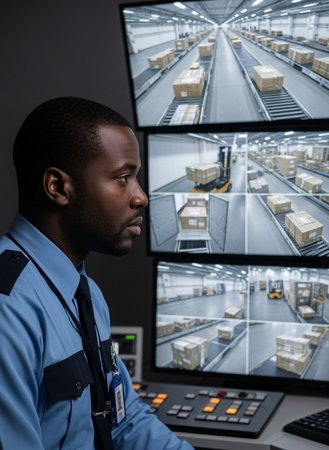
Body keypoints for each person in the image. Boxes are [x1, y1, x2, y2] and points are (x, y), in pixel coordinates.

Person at [0, 97, 194, 449]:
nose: (141, 197)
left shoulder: (85, 294)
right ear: (58, 187)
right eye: (122, 178)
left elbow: (124, 422)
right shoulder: (7, 309)